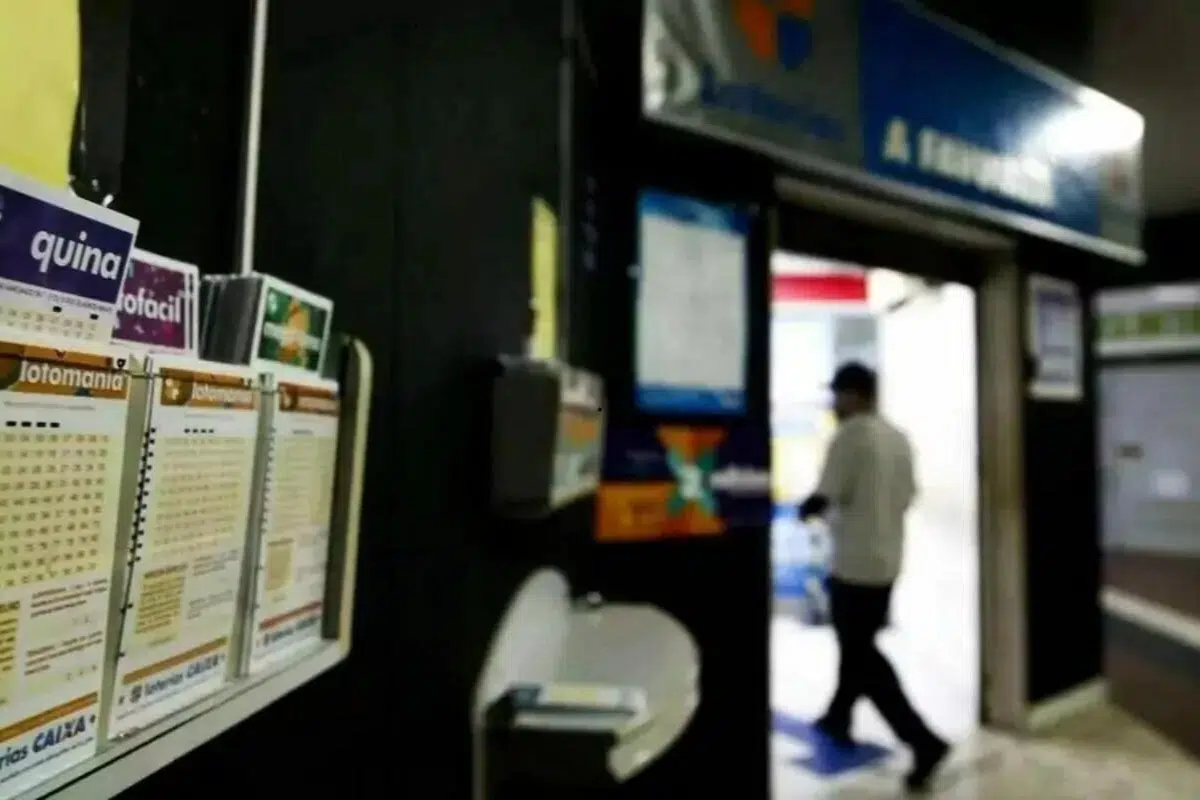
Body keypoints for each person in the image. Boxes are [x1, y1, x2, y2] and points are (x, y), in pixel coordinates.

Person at [797, 361, 948, 793]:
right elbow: (909, 496)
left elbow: (826, 494)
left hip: (853, 565)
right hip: (886, 563)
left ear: (854, 395)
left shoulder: (851, 436)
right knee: (856, 643)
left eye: (837, 395)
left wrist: (804, 510)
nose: (833, 404)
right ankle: (838, 716)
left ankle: (923, 741)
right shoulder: (898, 437)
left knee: (861, 655)